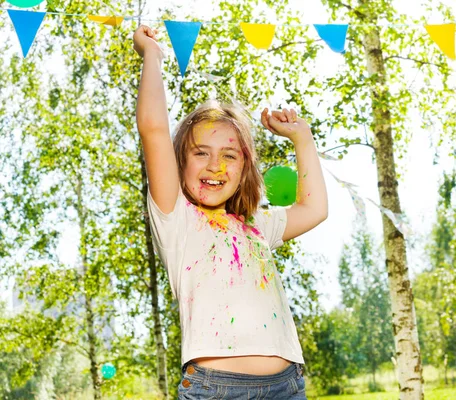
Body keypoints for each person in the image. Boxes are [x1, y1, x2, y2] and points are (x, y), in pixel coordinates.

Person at [133, 24, 328, 399]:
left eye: (229, 156)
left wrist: (303, 138)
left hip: (286, 386)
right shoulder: (177, 220)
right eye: (200, 153)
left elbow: (315, 208)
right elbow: (154, 129)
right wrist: (152, 55)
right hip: (214, 389)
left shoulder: (257, 225)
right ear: (180, 162)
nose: (215, 167)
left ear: (244, 169)